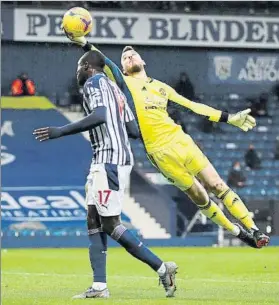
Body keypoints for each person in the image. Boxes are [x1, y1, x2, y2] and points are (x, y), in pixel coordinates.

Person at [64, 32, 270, 249]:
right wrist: (85, 44)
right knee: (200, 196)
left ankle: (254, 229)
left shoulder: (162, 88)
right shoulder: (124, 82)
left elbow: (192, 107)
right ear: (123, 68)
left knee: (216, 184)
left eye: (133, 55)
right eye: (125, 58)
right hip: (158, 153)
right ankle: (237, 232)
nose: (129, 58)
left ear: (143, 61)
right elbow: (104, 62)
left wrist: (229, 118)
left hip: (180, 141)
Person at [33, 51, 177, 299]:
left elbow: (100, 115)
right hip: (110, 158)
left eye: (79, 67)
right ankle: (99, 287)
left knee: (110, 224)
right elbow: (133, 130)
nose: (77, 72)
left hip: (109, 160)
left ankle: (163, 268)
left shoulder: (94, 82)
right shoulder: (116, 90)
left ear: (88, 66)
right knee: (93, 219)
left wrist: (60, 131)